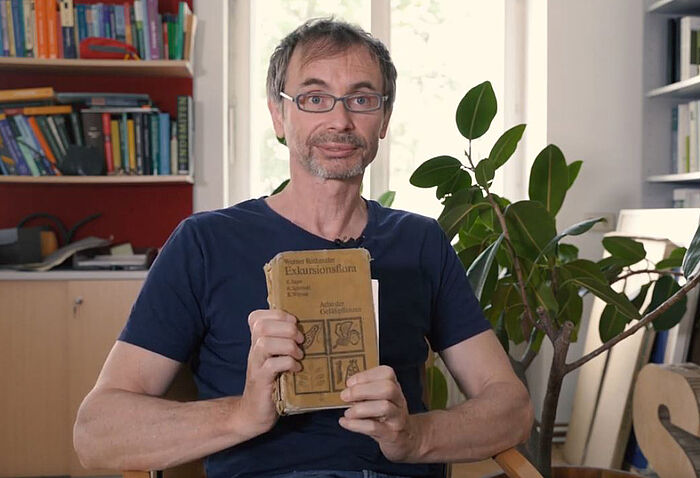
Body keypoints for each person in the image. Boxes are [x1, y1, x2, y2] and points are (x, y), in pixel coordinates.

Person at [73, 18, 532, 478]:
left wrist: (413, 437)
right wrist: (244, 414)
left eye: (362, 98)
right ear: (278, 114)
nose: (340, 120)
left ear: (385, 118)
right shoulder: (205, 243)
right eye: (314, 98)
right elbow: (97, 433)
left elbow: (510, 407)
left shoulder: (420, 241)